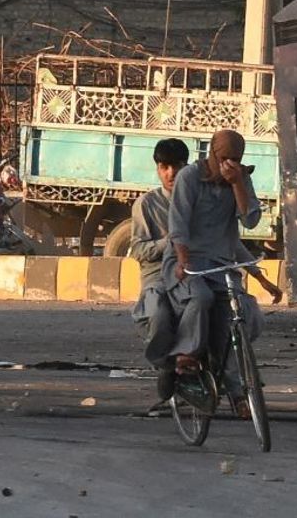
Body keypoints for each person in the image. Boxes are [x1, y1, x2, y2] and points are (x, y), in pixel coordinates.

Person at [161, 129, 282, 406]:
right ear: (212, 154)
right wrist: (182, 260)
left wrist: (237, 183)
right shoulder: (190, 177)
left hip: (221, 264)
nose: (230, 164)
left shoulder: (240, 177)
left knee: (241, 313)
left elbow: (249, 222)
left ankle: (236, 386)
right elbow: (178, 225)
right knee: (201, 297)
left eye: (235, 159)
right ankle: (186, 355)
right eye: (224, 158)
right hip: (187, 261)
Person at [129, 137, 189, 401]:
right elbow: (139, 251)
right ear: (157, 168)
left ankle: (237, 388)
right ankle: (165, 365)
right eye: (164, 167)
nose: (171, 173)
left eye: (176, 166)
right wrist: (170, 242)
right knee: (160, 313)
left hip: (192, 271)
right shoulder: (146, 205)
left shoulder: (197, 199)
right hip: (158, 276)